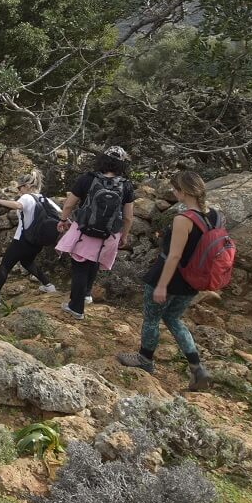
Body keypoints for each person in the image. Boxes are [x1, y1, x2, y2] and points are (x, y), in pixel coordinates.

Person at [116, 171, 213, 391]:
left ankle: (145, 359)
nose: (173, 192)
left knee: (151, 318)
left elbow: (175, 256)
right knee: (173, 318)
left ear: (184, 191)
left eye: (175, 189)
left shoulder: (183, 219)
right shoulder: (213, 216)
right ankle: (197, 369)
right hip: (192, 281)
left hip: (168, 277)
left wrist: (161, 285)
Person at [55, 146, 135, 320]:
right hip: (109, 234)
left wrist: (63, 220)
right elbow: (128, 217)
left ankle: (76, 308)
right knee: (93, 262)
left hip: (84, 230)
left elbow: (69, 204)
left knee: (79, 267)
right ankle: (86, 294)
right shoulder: (126, 185)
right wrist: (124, 235)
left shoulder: (87, 179)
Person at [0, 170, 59, 307]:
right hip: (37, 242)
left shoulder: (27, 197)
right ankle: (48, 285)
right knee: (27, 262)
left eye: (19, 188)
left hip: (22, 240)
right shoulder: (44, 198)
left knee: (5, 266)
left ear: (26, 186)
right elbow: (60, 214)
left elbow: (18, 205)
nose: (19, 191)